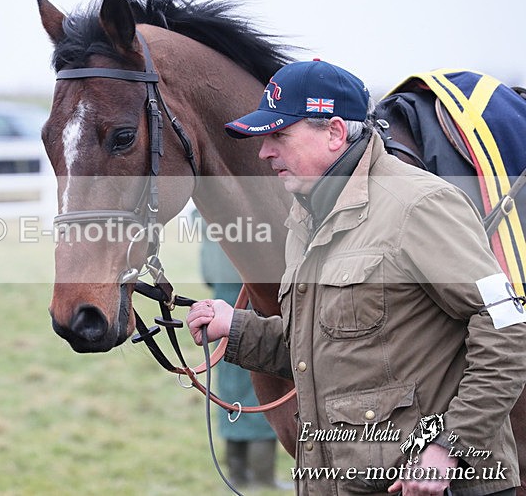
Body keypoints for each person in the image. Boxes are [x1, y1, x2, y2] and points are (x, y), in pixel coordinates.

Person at [186, 59, 526, 495]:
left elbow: (507, 328)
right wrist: (235, 329)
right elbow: (328, 352)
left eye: (279, 135)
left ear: (334, 133)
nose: (264, 152)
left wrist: (449, 447)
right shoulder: (305, 219)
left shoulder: (419, 204)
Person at [196, 209, 280, 488]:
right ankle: (262, 477)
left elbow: (207, 271)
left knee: (230, 387)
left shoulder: (207, 212)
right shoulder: (249, 211)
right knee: (261, 384)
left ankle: (238, 473)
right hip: (252, 297)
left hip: (221, 297)